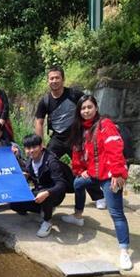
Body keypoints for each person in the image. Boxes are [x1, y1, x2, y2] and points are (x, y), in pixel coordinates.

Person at [62, 95, 133, 270]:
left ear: (96, 108)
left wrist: (118, 173)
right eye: (83, 108)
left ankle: (124, 251)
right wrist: (80, 170)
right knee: (78, 184)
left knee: (116, 213)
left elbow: (115, 148)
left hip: (109, 175)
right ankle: (78, 216)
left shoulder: (105, 125)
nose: (86, 111)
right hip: (94, 173)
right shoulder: (81, 129)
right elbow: (77, 152)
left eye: (89, 107)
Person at [34, 66, 105, 208]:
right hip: (57, 138)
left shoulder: (74, 95)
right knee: (45, 163)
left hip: (76, 137)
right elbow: (39, 121)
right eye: (51, 78)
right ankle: (44, 192)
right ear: (48, 81)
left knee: (85, 166)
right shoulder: (45, 100)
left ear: (63, 79)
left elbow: (89, 109)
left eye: (57, 78)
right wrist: (40, 143)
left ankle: (99, 196)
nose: (54, 81)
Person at [10, 134, 68, 238]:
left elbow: (61, 184)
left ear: (41, 147)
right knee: (14, 204)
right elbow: (26, 171)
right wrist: (26, 175)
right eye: (28, 148)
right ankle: (44, 209)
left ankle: (47, 221)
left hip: (55, 194)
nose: (31, 151)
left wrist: (47, 193)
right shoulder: (29, 161)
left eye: (34, 147)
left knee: (44, 195)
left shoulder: (51, 161)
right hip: (39, 191)